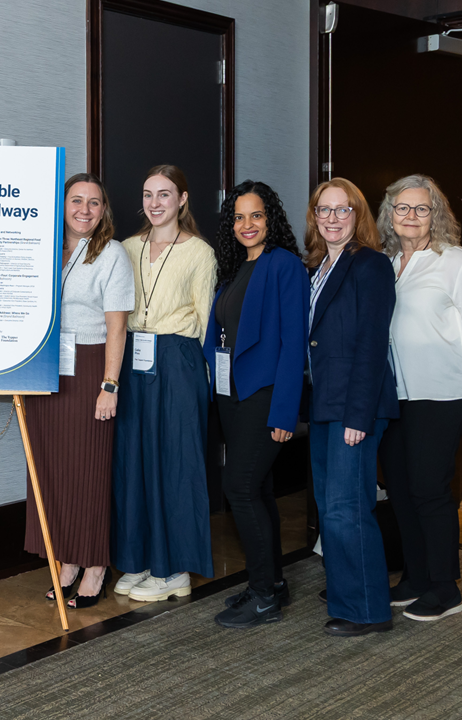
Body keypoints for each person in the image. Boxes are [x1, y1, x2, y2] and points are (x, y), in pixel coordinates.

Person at [377, 175, 462, 623]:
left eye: (420, 209)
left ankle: (445, 587)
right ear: (389, 214)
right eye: (402, 208)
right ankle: (417, 577)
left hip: (443, 393)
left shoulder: (459, 263)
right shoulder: (384, 264)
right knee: (402, 491)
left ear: (436, 215)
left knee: (430, 489)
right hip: (395, 395)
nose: (410, 216)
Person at [24, 174, 133, 609]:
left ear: (104, 210)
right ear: (61, 204)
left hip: (90, 368)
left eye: (94, 203)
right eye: (76, 201)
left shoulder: (112, 254)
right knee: (52, 468)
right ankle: (66, 559)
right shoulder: (43, 248)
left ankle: (94, 566)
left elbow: (116, 327)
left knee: (89, 469)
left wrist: (109, 385)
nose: (84, 210)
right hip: (46, 370)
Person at [205, 181, 308, 629]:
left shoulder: (284, 266)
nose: (247, 225)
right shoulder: (232, 270)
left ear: (271, 219)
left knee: (241, 489)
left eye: (256, 215)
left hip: (266, 396)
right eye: (239, 218)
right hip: (233, 396)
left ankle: (265, 596)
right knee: (258, 490)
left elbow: (292, 345)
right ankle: (271, 583)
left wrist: (286, 412)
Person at [112, 165, 217, 603]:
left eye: (165, 194)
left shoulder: (200, 253)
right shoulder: (125, 248)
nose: (155, 203)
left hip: (179, 361)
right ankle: (138, 558)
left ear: (183, 200)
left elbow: (208, 322)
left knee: (175, 463)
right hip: (133, 358)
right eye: (148, 194)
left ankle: (173, 569)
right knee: (133, 462)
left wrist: (209, 386)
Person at [304, 177, 398, 638]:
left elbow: (371, 344)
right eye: (324, 210)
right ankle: (346, 600)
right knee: (330, 508)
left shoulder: (371, 265)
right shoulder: (320, 265)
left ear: (358, 215)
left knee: (348, 508)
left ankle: (367, 610)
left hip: (353, 407)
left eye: (342, 210)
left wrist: (359, 416)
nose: (332, 218)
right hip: (325, 404)